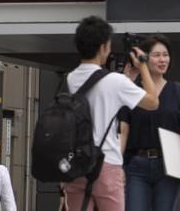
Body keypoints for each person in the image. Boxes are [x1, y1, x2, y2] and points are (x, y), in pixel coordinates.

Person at [63, 16, 159, 211]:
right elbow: (153, 102)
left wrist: (128, 78)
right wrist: (143, 67)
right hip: (106, 163)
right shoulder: (114, 81)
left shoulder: (68, 79)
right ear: (103, 48)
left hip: (76, 165)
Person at [118, 34, 180, 211]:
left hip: (168, 164)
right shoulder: (132, 90)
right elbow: (123, 131)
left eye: (166, 54)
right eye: (156, 55)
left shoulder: (178, 90)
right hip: (136, 165)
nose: (163, 60)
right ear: (144, 59)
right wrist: (117, 165)